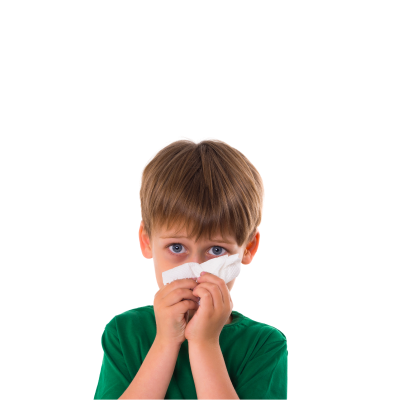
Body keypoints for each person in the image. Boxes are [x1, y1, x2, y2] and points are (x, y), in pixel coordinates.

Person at [93, 137, 288, 400]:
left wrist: (204, 344)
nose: (195, 270)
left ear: (248, 248)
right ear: (146, 242)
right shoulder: (125, 332)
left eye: (216, 250)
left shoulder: (263, 344)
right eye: (177, 247)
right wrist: (165, 342)